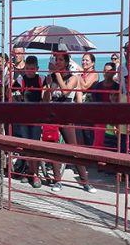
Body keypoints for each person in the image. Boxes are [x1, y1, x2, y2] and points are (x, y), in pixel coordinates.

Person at [44, 50, 95, 194]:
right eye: (56, 59)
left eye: (60, 59)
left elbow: (65, 91)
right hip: (53, 113)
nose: (57, 62)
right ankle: (57, 180)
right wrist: (48, 86)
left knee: (73, 148)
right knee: (53, 148)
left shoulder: (74, 78)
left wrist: (57, 74)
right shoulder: (51, 77)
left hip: (66, 114)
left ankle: (85, 181)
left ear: (67, 62)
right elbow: (45, 99)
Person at [12, 55, 45, 187]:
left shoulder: (41, 79)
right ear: (24, 68)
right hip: (25, 116)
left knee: (35, 145)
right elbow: (12, 91)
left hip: (37, 117)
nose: (30, 71)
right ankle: (30, 172)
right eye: (27, 68)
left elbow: (46, 95)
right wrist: (19, 102)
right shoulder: (21, 79)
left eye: (32, 68)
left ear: (37, 68)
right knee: (26, 145)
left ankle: (35, 174)